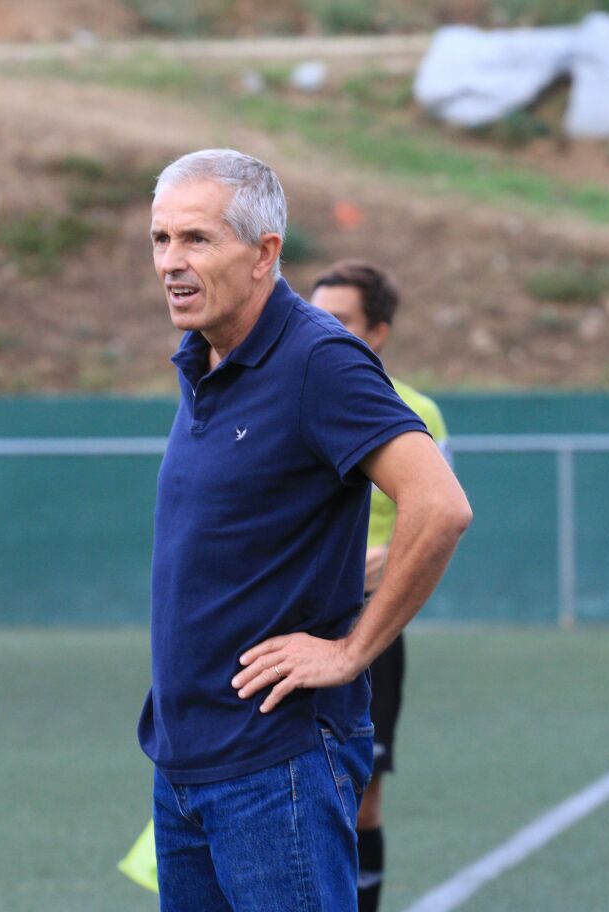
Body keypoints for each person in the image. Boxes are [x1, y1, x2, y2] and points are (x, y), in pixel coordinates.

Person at [139, 148, 471, 912]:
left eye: (196, 239)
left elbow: (441, 505)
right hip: (186, 763)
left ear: (264, 255)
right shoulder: (205, 360)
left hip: (275, 766)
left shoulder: (319, 359)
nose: (171, 263)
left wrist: (352, 651)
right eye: (161, 240)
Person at [311, 261, 451, 912]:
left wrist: (388, 555)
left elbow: (441, 515)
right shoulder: (286, 397)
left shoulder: (414, 411)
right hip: (284, 617)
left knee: (361, 785)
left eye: (339, 320)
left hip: (368, 623)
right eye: (314, 315)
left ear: (379, 333)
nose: (320, 330)